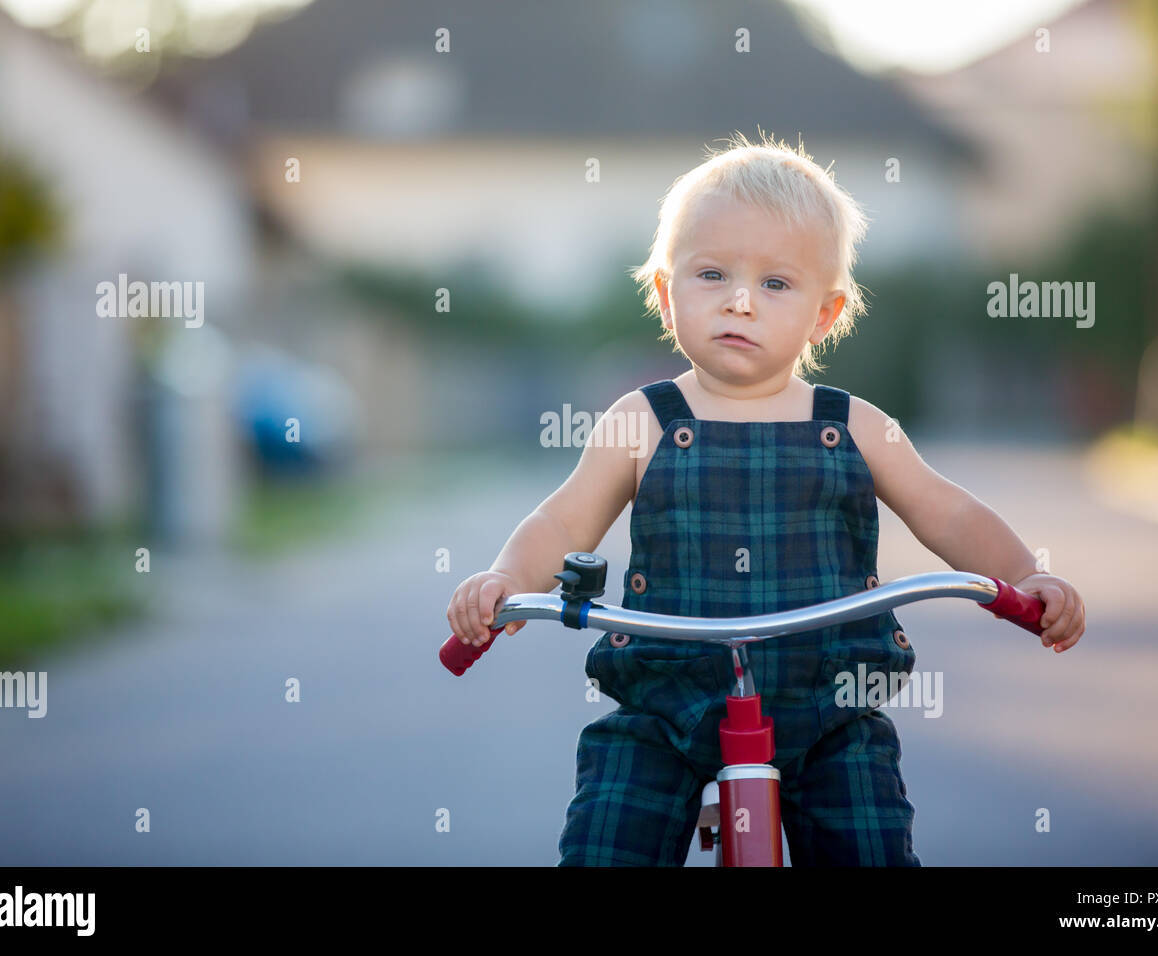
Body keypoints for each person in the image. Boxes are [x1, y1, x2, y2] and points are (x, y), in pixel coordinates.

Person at [445, 132, 1086, 866]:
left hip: (828, 705)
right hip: (668, 701)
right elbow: (562, 518)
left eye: (776, 284)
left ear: (823, 313)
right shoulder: (641, 420)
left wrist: (1021, 576)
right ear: (665, 291)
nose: (741, 301)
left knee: (870, 842)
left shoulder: (853, 425)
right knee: (605, 838)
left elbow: (948, 510)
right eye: (712, 274)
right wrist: (507, 579)